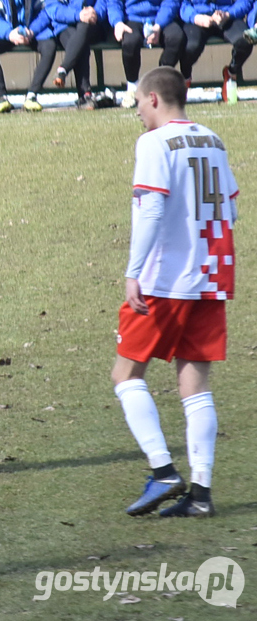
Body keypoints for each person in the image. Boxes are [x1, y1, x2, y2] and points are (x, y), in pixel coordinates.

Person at [110, 67, 234, 519]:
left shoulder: (154, 143)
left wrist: (134, 271)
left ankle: (162, 470)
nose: (138, 113)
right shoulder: (213, 139)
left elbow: (153, 208)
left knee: (126, 376)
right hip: (212, 276)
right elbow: (232, 207)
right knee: (195, 385)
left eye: (139, 104)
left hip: (166, 280)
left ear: (155, 100)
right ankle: (200, 495)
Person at [46, 0, 111, 109]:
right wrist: (78, 14)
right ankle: (85, 95)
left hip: (94, 24)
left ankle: (64, 70)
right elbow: (53, 9)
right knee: (79, 42)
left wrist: (93, 13)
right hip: (65, 26)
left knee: (82, 31)